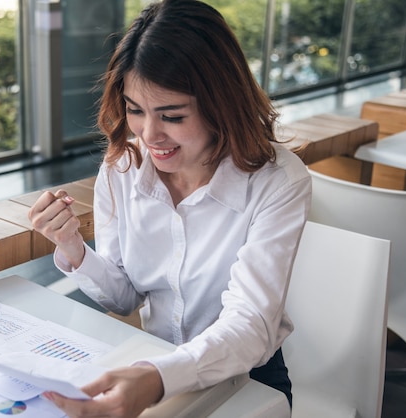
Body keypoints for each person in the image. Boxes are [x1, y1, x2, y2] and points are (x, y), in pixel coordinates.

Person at [28, 0, 312, 416]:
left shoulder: (278, 180)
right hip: (151, 362)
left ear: (222, 103)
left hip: (247, 380)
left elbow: (251, 325)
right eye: (135, 110)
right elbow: (124, 297)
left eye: (173, 115)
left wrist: (158, 378)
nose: (150, 134)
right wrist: (71, 246)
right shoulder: (123, 167)